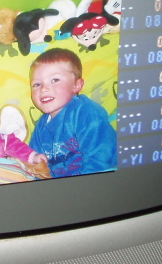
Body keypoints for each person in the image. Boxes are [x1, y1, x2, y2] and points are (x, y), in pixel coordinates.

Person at [28, 48, 117, 177]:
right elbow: (37, 167)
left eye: (55, 80)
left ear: (76, 85)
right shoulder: (41, 128)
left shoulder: (86, 112)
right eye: (37, 84)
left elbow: (101, 155)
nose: (44, 89)